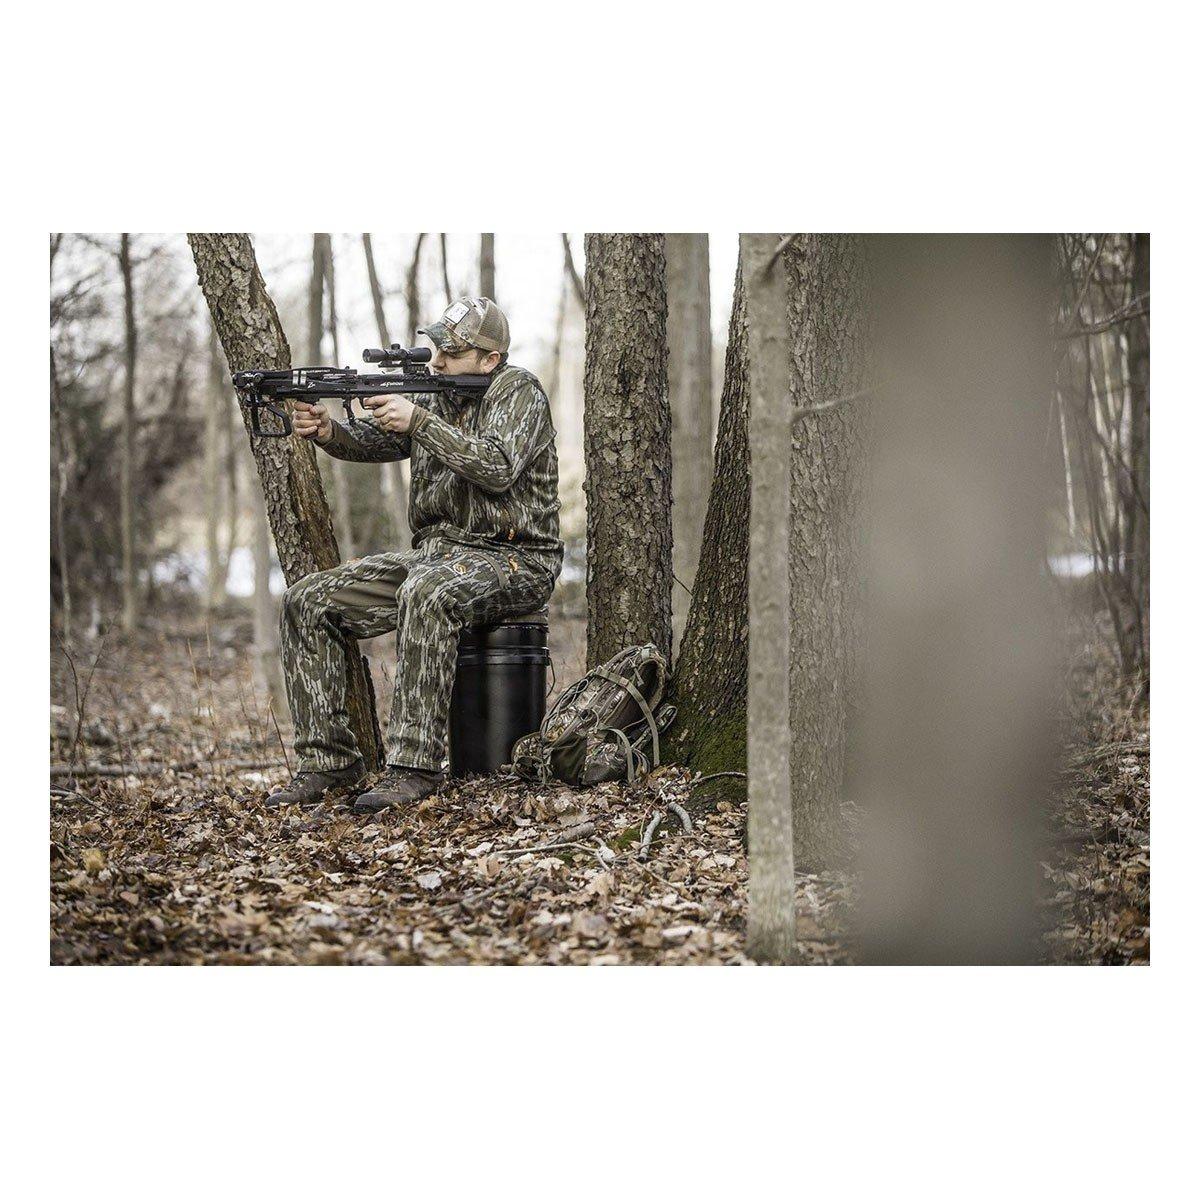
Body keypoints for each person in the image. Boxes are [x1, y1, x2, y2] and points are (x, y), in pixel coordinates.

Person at [265, 297, 562, 813]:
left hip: (516, 559)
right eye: (436, 349)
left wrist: (418, 420)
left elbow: (496, 467)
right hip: (438, 554)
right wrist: (330, 431)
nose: (438, 361)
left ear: (489, 360)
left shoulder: (518, 391)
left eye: (452, 353)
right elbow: (377, 444)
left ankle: (413, 768)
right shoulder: (438, 394)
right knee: (307, 601)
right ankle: (329, 762)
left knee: (427, 593)